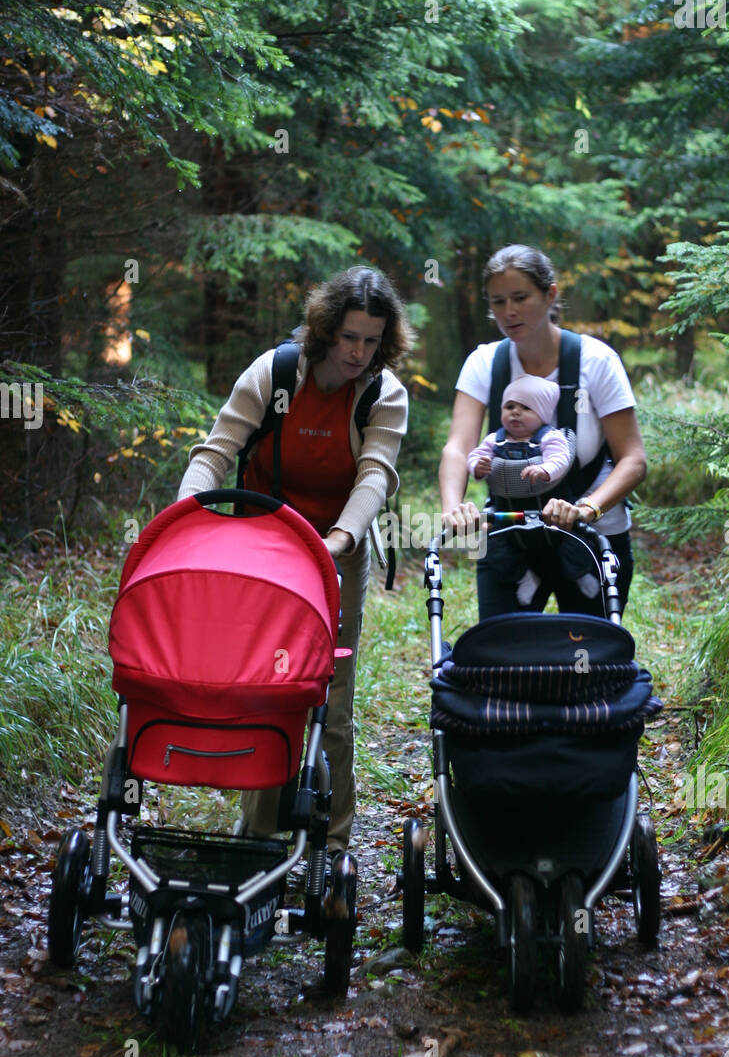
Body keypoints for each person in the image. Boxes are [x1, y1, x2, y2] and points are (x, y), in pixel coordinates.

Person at [178, 266, 411, 855]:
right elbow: (217, 450)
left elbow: (375, 476)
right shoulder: (277, 372)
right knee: (264, 682)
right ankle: (257, 831)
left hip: (338, 549)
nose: (359, 352)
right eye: (349, 337)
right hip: (260, 547)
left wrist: (337, 540)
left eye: (372, 340)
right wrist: (184, 515)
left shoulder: (384, 394)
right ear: (327, 330)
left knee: (330, 695)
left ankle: (331, 841)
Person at [439, 243, 646, 619]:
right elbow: (458, 446)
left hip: (593, 538)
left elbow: (633, 460)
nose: (509, 312)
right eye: (498, 301)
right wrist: (453, 507)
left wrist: (587, 508)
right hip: (511, 534)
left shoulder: (597, 362)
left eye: (520, 297)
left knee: (589, 659)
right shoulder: (485, 363)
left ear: (550, 294)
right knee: (504, 660)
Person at [467, 374, 572, 606]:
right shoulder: (496, 440)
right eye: (509, 406)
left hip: (547, 515)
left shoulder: (550, 437)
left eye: (526, 408)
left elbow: (561, 458)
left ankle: (581, 574)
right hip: (508, 514)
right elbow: (475, 455)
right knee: (497, 548)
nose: (515, 412)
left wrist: (545, 470)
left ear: (542, 414)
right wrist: (478, 466)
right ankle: (524, 579)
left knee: (572, 545)